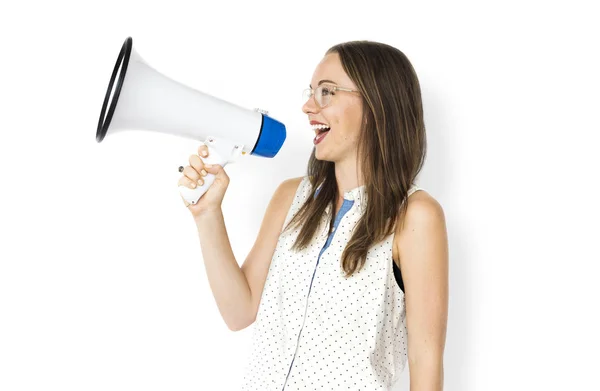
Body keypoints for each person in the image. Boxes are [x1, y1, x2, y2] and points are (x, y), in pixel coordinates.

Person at [177, 40, 449, 390]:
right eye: (311, 92)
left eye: (327, 92)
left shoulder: (415, 216)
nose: (308, 107)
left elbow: (426, 363)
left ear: (377, 104)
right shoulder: (291, 198)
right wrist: (207, 214)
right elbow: (239, 312)